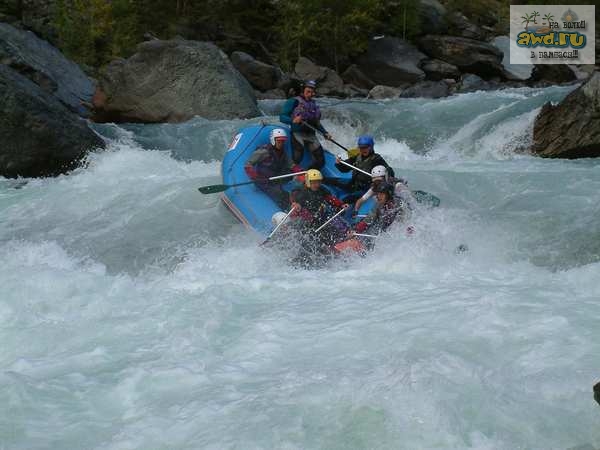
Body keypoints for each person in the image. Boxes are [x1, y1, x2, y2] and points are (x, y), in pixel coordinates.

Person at [279, 80, 332, 170]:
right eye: (308, 91)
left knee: (320, 160)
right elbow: (282, 117)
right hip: (297, 133)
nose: (310, 94)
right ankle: (289, 176)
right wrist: (293, 120)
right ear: (302, 91)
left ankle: (309, 175)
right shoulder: (293, 101)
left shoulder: (313, 105)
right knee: (298, 157)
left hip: (311, 134)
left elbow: (316, 123)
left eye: (312, 92)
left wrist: (325, 133)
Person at [244, 128, 302, 209]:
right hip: (263, 181)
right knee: (280, 193)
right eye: (279, 141)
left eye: (282, 141)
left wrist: (300, 172)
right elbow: (248, 165)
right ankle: (285, 208)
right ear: (273, 140)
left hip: (275, 177)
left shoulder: (282, 152)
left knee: (292, 178)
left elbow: (292, 165)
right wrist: (256, 177)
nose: (281, 143)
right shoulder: (263, 152)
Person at [334, 135, 395, 203]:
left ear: (371, 147)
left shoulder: (376, 159)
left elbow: (388, 169)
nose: (363, 150)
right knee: (329, 181)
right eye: (361, 148)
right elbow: (344, 169)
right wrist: (339, 163)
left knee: (346, 200)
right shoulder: (357, 157)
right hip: (353, 184)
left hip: (365, 189)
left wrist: (389, 172)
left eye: (365, 147)